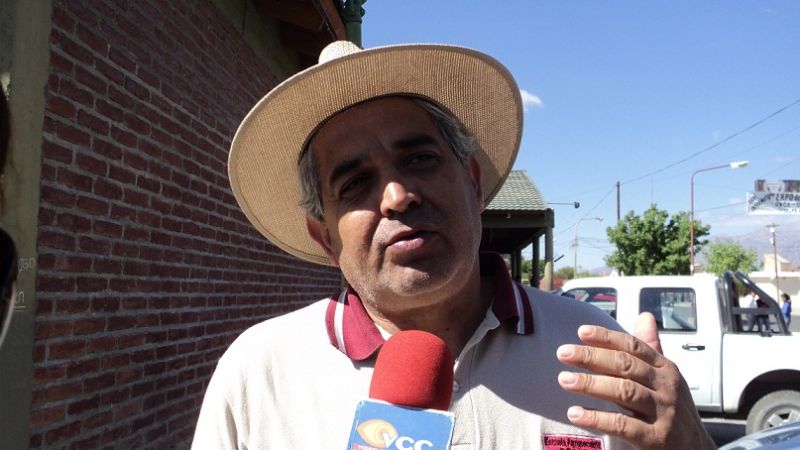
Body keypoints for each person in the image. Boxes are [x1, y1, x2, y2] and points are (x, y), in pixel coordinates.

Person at [192, 41, 715, 449]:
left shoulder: (599, 350)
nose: (396, 196)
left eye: (419, 159)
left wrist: (690, 445)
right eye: (354, 184)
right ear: (325, 237)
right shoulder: (259, 372)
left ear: (472, 180)